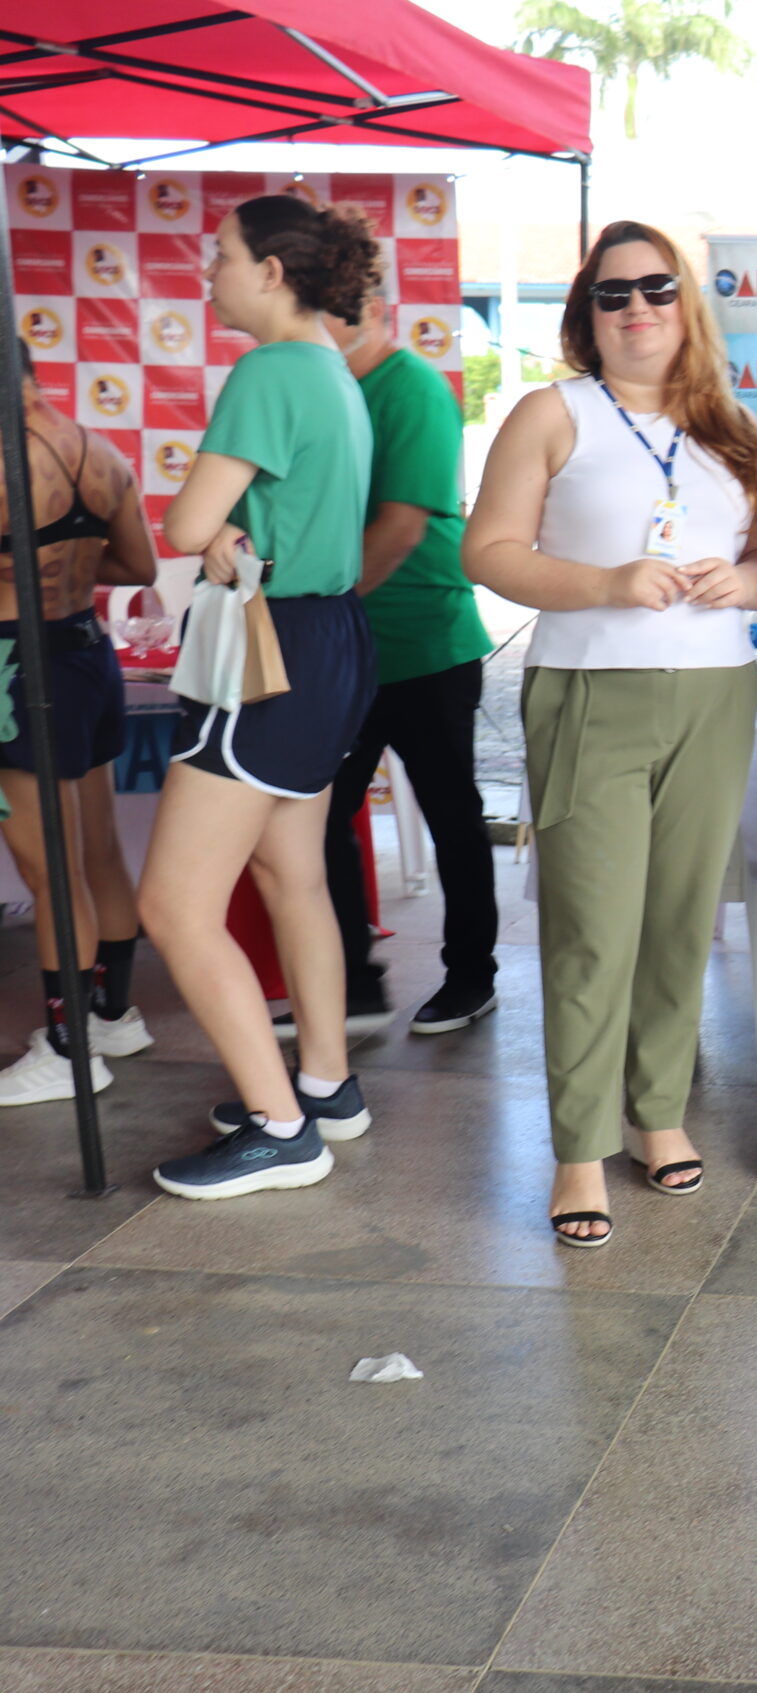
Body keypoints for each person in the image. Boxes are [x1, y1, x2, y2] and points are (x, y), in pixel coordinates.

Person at [465, 220, 757, 1248]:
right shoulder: (551, 413)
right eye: (614, 294)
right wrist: (606, 582)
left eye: (656, 288)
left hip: (714, 695)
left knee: (680, 919)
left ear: (686, 304)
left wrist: (745, 581)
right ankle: (577, 1147)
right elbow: (489, 551)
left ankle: (656, 1114)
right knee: (591, 927)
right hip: (589, 691)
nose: (637, 308)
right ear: (586, 314)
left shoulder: (732, 426)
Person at [144, 196, 382, 1201]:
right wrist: (230, 538)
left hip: (267, 651)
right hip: (328, 642)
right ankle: (323, 1085)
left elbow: (183, 521)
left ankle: (282, 1129)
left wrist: (213, 535)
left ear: (272, 272)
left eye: (222, 255)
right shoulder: (331, 367)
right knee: (294, 876)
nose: (210, 272)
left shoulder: (271, 369)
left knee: (174, 905)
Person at [316, 289, 500, 1039]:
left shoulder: (413, 386)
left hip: (424, 643)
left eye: (321, 303)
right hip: (345, 648)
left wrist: (316, 611)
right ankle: (350, 980)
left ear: (366, 307)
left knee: (452, 813)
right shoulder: (321, 385)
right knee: (321, 816)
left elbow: (399, 529)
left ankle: (471, 976)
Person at [0, 340, 160, 1104]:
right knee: (97, 851)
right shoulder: (103, 453)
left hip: (17, 664)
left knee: (52, 872)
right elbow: (138, 567)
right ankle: (113, 1015)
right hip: (88, 653)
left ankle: (69, 1053)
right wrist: (61, 563)